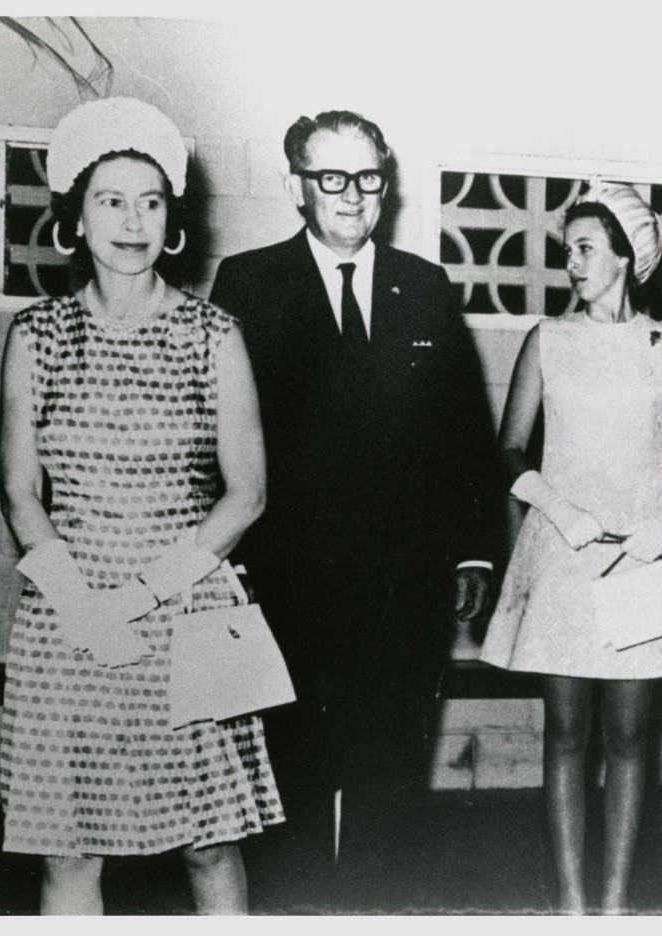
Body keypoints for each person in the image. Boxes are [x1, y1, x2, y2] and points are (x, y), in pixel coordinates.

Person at [0, 97, 281, 915]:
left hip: (193, 604)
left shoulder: (213, 332)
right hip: (66, 612)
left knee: (211, 844)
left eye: (151, 202)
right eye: (111, 201)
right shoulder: (38, 333)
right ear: (75, 220)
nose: (133, 221)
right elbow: (20, 492)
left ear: (173, 220)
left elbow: (249, 493)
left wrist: (143, 594)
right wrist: (86, 608)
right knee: (69, 851)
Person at [208, 110, 498, 873]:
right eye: (330, 178)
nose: (351, 196)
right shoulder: (248, 283)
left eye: (368, 178)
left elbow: (465, 430)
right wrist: (221, 559)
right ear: (294, 184)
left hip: (404, 583)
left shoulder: (425, 287)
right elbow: (215, 432)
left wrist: (472, 551)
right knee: (290, 773)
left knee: (390, 775)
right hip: (283, 579)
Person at [479, 183, 662, 914]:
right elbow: (507, 450)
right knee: (565, 734)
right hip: (563, 556)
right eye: (568, 250)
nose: (572, 262)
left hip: (642, 560)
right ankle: (570, 903)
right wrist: (555, 507)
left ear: (627, 256)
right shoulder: (546, 339)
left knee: (629, 739)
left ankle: (615, 905)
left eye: (586, 247)